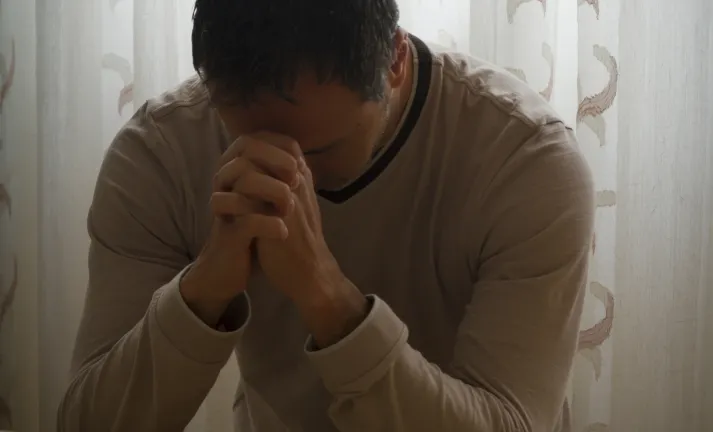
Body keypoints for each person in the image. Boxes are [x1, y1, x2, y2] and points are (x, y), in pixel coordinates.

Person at [57, 0, 595, 431]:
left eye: (319, 152)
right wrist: (202, 292)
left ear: (395, 60)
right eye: (242, 139)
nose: (286, 177)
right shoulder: (159, 154)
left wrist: (330, 300)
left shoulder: (523, 161)